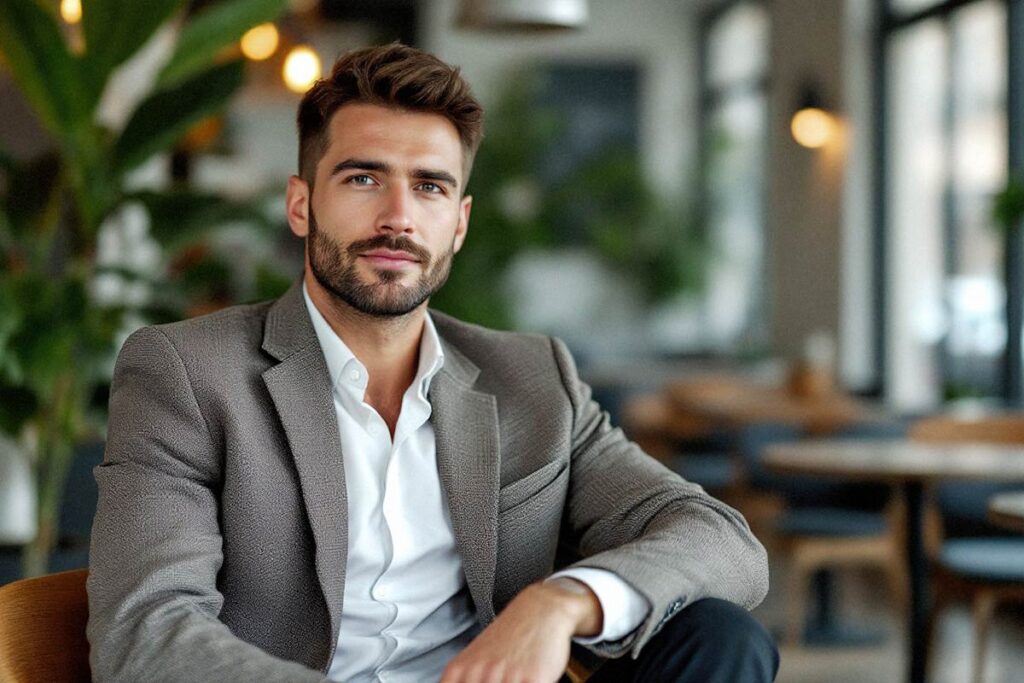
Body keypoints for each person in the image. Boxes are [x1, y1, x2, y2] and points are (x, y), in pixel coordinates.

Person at [86, 43, 777, 683]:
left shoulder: (533, 378)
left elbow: (720, 541)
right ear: (301, 205)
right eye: (363, 178)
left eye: (430, 187)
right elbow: (147, 628)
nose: (399, 217)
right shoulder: (184, 373)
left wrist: (560, 602)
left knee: (721, 637)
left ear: (460, 221)